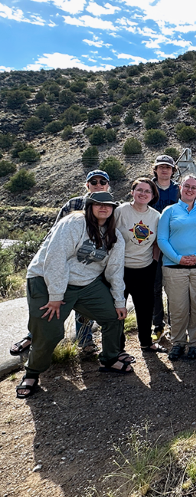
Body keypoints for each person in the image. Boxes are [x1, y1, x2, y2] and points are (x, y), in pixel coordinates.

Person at [16, 192, 130, 398]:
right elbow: (55, 258)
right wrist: (56, 295)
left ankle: (110, 358)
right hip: (46, 280)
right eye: (97, 204)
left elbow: (115, 271)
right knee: (49, 331)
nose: (103, 208)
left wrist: (120, 301)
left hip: (86, 284)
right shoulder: (73, 223)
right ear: (89, 206)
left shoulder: (115, 236)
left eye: (108, 205)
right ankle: (32, 371)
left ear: (113, 209)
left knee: (114, 316)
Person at [10, 169, 110, 357]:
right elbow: (55, 231)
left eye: (102, 182)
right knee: (46, 302)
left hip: (87, 265)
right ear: (87, 185)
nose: (98, 185)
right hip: (61, 261)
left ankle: (85, 340)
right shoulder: (73, 204)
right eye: (93, 182)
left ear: (107, 185)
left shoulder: (111, 205)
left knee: (84, 308)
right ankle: (33, 336)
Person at [157, 174, 196, 361]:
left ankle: (195, 343)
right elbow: (162, 239)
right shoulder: (169, 211)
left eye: (194, 187)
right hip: (174, 267)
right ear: (180, 188)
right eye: (187, 186)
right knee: (177, 306)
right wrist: (177, 258)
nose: (190, 190)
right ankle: (178, 342)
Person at [114, 177, 165, 355]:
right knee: (117, 309)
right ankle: (117, 348)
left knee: (145, 308)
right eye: (140, 190)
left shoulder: (156, 216)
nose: (143, 194)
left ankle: (146, 342)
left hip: (145, 268)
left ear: (152, 195)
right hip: (120, 269)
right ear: (132, 192)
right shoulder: (120, 211)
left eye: (147, 191)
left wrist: (154, 263)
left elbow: (158, 242)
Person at [149, 154, 180, 343]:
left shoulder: (178, 190)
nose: (164, 170)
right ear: (155, 169)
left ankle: (174, 325)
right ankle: (157, 325)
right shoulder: (149, 187)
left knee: (174, 287)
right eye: (161, 167)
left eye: (168, 167)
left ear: (173, 170)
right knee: (155, 287)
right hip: (151, 245)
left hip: (174, 244)